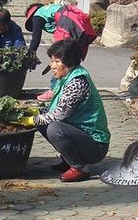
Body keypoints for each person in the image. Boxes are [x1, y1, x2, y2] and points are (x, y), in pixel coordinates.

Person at [33, 38, 110, 183]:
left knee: (54, 128)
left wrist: (32, 119)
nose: (53, 66)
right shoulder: (65, 78)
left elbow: (60, 114)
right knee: (43, 120)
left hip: (95, 144)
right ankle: (68, 160)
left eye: (57, 62)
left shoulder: (77, 81)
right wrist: (35, 113)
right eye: (52, 61)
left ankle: (79, 168)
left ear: (69, 62)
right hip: (80, 135)